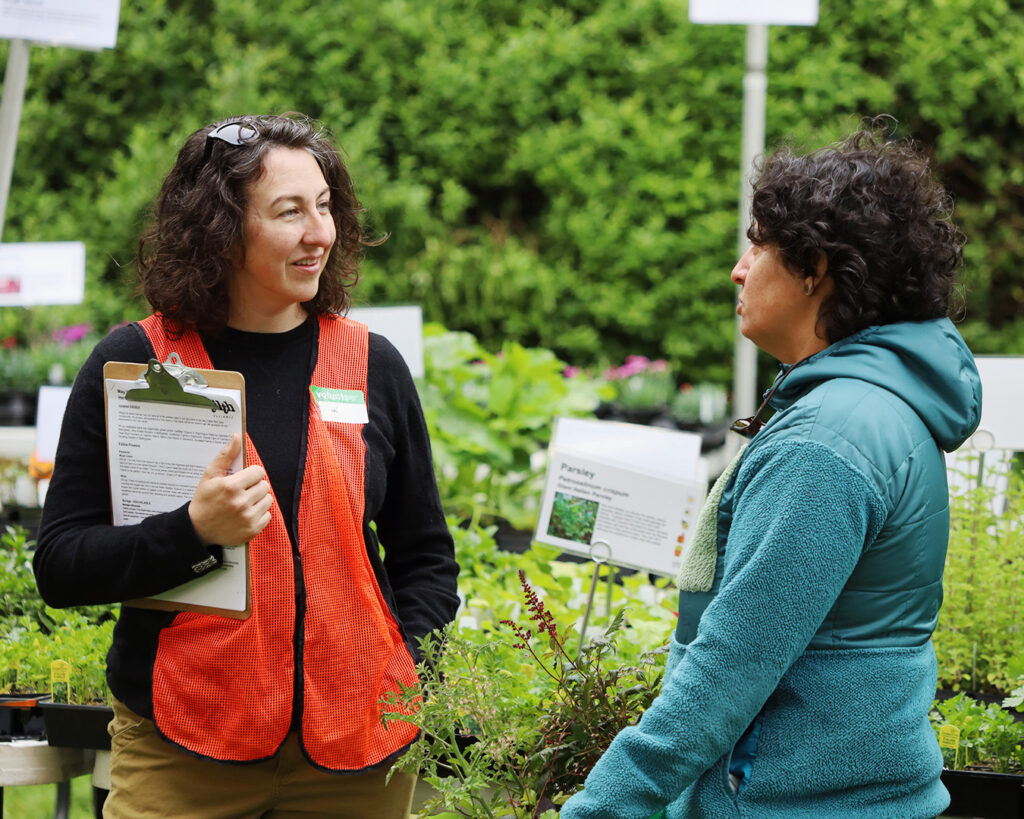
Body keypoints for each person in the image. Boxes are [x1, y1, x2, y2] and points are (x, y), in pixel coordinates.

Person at [33, 113, 460, 818]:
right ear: (221, 227)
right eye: (289, 211)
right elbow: (62, 563)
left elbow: (427, 556)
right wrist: (191, 531)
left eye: (324, 207)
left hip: (356, 756)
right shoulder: (136, 363)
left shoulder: (372, 366)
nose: (318, 232)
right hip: (183, 747)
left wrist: (405, 665)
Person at [560, 122, 982, 818]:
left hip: (797, 802)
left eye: (758, 245)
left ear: (815, 269)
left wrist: (597, 809)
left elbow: (730, 668)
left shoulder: (825, 442)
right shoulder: (877, 409)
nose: (738, 266)